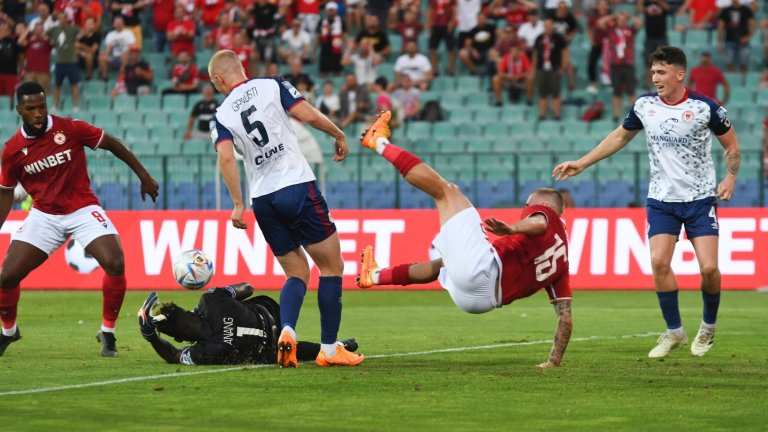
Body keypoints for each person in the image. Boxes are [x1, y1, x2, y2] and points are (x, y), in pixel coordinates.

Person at [552, 46, 741, 359]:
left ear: (680, 74)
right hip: (661, 199)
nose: (656, 78)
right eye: (653, 72)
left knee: (709, 269)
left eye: (662, 72)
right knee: (658, 263)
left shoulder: (706, 107)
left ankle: (708, 326)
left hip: (700, 199)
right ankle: (675, 331)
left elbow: (732, 146)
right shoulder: (644, 105)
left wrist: (730, 178)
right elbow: (619, 137)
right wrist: (582, 163)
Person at [355, 111, 572, 368]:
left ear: (542, 204)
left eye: (528, 204)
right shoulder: (563, 262)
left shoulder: (547, 214)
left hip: (484, 272)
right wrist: (553, 361)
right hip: (478, 302)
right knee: (442, 264)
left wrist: (513, 228)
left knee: (448, 192)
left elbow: (539, 223)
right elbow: (565, 318)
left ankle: (378, 141)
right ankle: (374, 276)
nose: (526, 207)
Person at [207, 50, 363, 368]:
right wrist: (337, 132)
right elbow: (306, 114)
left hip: (263, 199)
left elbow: (226, 158)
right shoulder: (272, 85)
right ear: (242, 68)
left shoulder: (220, 116)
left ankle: (287, 331)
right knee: (331, 268)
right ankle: (330, 349)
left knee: (296, 273)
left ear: (220, 79)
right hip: (296, 186)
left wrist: (238, 204)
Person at [0, 82, 159, 358]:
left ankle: (107, 332)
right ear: (19, 110)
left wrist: (143, 175)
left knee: (115, 262)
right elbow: (4, 192)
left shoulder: (69, 129)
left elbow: (112, 144)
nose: (38, 113)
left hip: (82, 209)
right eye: (31, 108)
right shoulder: (12, 150)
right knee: (6, 277)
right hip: (44, 216)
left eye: (42, 106)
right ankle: (8, 331)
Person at [137, 284, 360, 365]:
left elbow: (173, 356)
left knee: (283, 352)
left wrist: (152, 338)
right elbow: (248, 288)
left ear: (179, 338)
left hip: (272, 343)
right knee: (284, 351)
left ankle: (335, 347)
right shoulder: (210, 300)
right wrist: (224, 291)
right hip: (275, 317)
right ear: (186, 310)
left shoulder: (201, 351)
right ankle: (335, 347)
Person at [716, 0, 756, 75]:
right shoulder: (725, 10)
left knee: (744, 64)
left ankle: (743, 83)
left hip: (743, 42)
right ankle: (733, 83)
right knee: (729, 64)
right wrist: (720, 43)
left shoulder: (746, 10)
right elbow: (720, 27)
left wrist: (747, 37)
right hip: (729, 41)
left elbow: (753, 25)